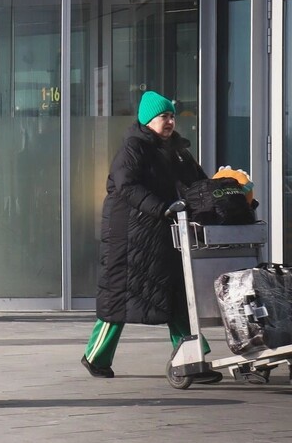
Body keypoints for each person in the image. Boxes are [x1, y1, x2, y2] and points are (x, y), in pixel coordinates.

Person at [81, 91, 219, 382]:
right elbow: (127, 187)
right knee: (119, 298)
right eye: (163, 117)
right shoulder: (134, 148)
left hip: (162, 232)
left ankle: (192, 359)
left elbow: (199, 183)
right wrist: (163, 208)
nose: (169, 122)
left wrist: (225, 198)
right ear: (147, 120)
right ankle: (96, 356)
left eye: (171, 116)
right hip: (128, 235)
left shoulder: (179, 150)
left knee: (178, 295)